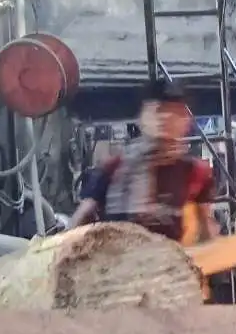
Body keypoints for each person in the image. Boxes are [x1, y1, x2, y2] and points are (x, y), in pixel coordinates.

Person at [68, 79, 220, 243]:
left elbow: (206, 228)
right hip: (119, 259)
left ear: (186, 120)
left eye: (175, 112)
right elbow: (81, 218)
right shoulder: (115, 167)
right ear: (142, 119)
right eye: (158, 110)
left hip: (170, 261)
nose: (165, 118)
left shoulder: (196, 172)